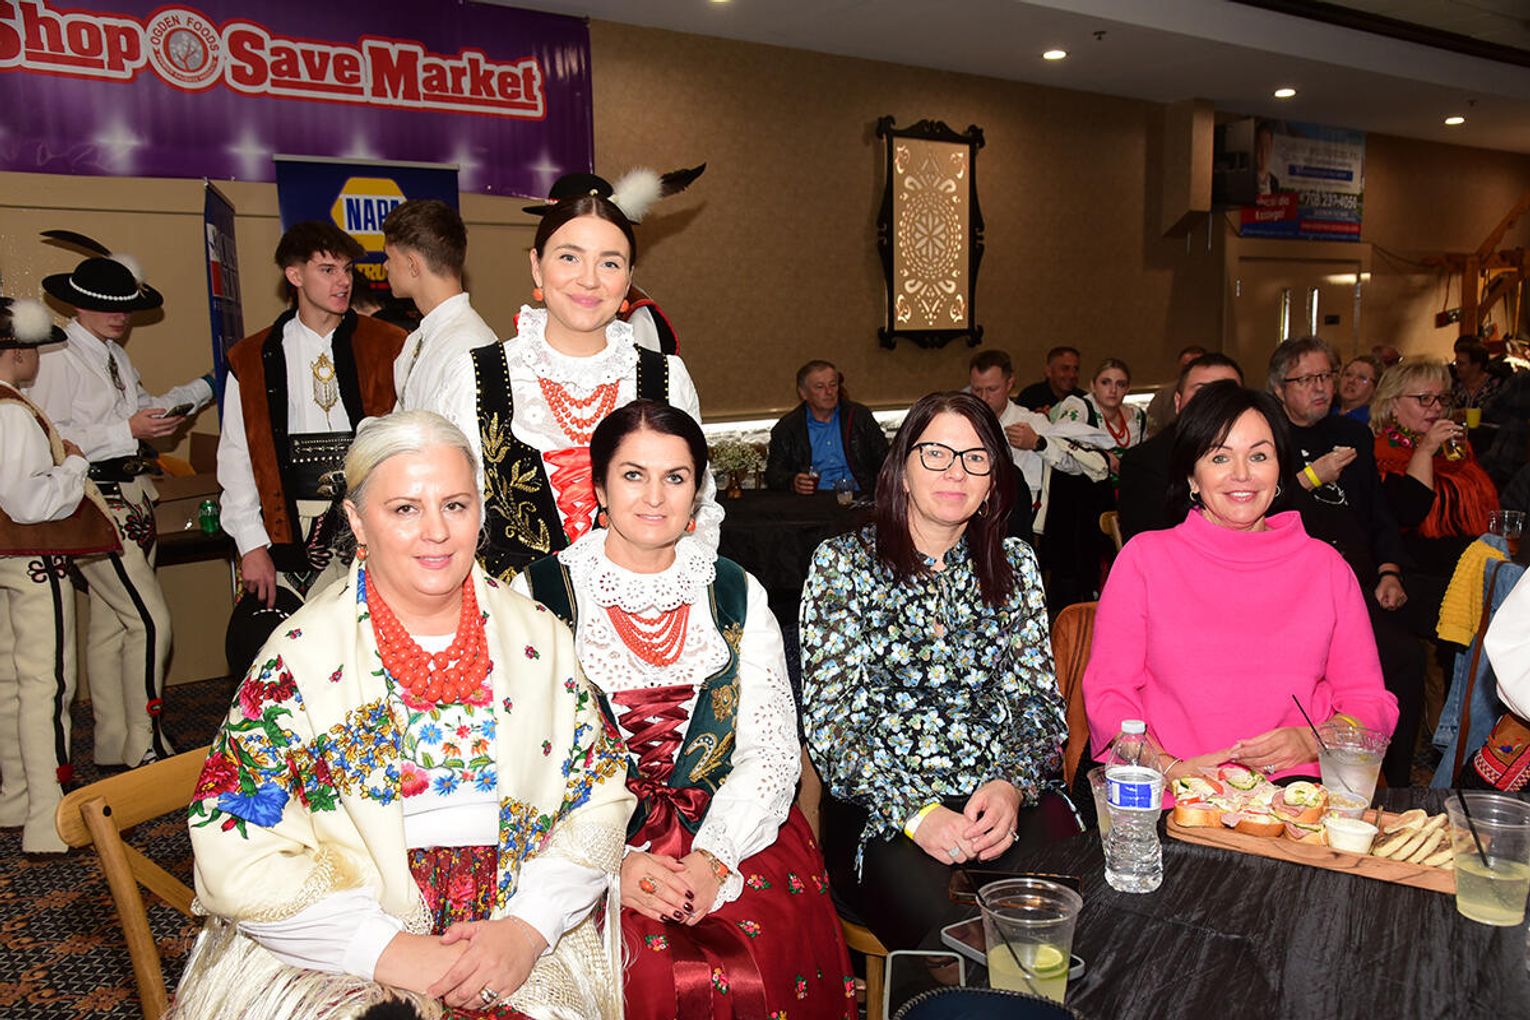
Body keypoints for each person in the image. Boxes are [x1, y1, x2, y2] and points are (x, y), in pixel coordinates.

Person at [173, 412, 634, 1019]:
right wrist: (384, 950)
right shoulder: (300, 656)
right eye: (405, 509)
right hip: (340, 937)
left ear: (480, 513)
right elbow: (237, 838)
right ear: (357, 521)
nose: (436, 532)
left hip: (513, 921)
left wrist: (527, 928)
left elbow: (598, 799)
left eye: (455, 505)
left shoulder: (539, 636)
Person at [517, 402, 855, 1019]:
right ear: (599, 487)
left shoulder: (735, 588)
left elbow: (771, 749)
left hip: (730, 827)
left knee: (755, 960)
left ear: (697, 491)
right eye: (633, 475)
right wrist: (612, 865)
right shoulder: (536, 596)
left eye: (675, 477)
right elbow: (525, 763)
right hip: (588, 838)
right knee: (646, 970)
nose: (655, 497)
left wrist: (713, 859)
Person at [801, 392, 1075, 951]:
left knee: (1076, 921)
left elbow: (1039, 705)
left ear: (993, 480)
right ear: (902, 469)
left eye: (975, 458)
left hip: (1003, 796)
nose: (956, 472)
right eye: (936, 454)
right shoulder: (843, 563)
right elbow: (832, 724)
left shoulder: (1015, 562)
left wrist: (1011, 785)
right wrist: (916, 813)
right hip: (886, 808)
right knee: (962, 947)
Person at [1084, 382, 1399, 781]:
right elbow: (1110, 697)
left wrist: (1313, 740)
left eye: (1259, 456)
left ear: (1280, 469)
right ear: (1192, 477)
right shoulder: (1145, 560)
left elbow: (1370, 703)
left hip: (1298, 791)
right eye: (1220, 457)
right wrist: (1168, 769)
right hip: (1172, 787)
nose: (1242, 474)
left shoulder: (1326, 568)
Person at [429, 170, 717, 584]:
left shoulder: (666, 377)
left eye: (610, 263)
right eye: (569, 257)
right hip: (510, 615)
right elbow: (446, 513)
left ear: (629, 278)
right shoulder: (475, 376)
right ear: (537, 266)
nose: (589, 279)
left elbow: (699, 509)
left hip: (641, 610)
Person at [30, 235, 215, 767]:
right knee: (150, 620)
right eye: (107, 307)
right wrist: (126, 430)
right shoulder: (58, 357)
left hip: (130, 494)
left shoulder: (112, 355)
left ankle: (115, 740)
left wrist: (197, 393)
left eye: (126, 308)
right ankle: (144, 739)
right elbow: (49, 436)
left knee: (114, 624)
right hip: (93, 497)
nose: (119, 317)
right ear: (78, 304)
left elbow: (139, 409)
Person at [218, 222, 407, 608]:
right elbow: (238, 455)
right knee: (295, 637)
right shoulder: (252, 357)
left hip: (371, 517)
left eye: (347, 269)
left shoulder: (387, 344)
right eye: (328, 270)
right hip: (291, 523)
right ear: (295, 275)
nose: (343, 281)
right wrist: (251, 544)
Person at [1269, 336, 1422, 787]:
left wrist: (1390, 569)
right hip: (1296, 585)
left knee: (1407, 657)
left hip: (1360, 579)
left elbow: (1378, 512)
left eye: (1326, 376)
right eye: (1306, 379)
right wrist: (1311, 477)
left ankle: (1392, 782)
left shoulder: (1352, 435)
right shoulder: (1269, 437)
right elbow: (1263, 508)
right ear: (1278, 388)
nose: (1320, 387)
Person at [0, 297, 119, 853]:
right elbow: (29, 501)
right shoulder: (13, 410)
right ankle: (49, 816)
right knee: (46, 683)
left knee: (10, 681)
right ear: (17, 351)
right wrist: (72, 464)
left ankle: (17, 796)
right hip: (31, 558)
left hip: (5, 558)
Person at [1370, 360, 1498, 626]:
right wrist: (1425, 449)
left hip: (1470, 568)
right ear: (1393, 404)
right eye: (1424, 399)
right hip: (1415, 575)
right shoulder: (1382, 454)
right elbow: (1407, 513)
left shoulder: (1456, 449)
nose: (1437, 407)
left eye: (1441, 398)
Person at [1041, 358, 1146, 609]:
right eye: (1106, 382)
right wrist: (1100, 456)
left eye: (1120, 384)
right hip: (1082, 501)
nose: (1113, 390)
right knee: (1084, 568)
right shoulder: (1079, 406)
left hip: (1123, 499)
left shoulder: (1136, 416)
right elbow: (1060, 438)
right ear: (1093, 385)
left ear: (1128, 388)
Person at [383, 200, 500, 411]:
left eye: (389, 257)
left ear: (412, 265)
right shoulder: (416, 339)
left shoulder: (471, 346)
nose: (385, 266)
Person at [1117, 353, 1244, 541]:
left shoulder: (1260, 455)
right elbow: (1150, 544)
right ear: (1178, 402)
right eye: (1201, 392)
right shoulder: (1145, 462)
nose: (1214, 402)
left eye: (1226, 393)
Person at [765, 360, 889, 496]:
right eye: (820, 387)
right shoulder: (788, 428)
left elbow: (886, 459)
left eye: (833, 385)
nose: (829, 392)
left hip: (859, 496)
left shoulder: (858, 417)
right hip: (813, 500)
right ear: (803, 393)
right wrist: (792, 482)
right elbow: (773, 474)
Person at [966, 349, 1053, 541]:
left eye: (992, 389)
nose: (983, 397)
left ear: (1010, 383)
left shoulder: (1034, 422)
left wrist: (1037, 442)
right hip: (973, 517)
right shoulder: (963, 425)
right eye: (977, 390)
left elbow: (1065, 462)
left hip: (1021, 520)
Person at [1143, 344, 1207, 437]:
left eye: (1197, 366)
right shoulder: (1163, 397)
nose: (1191, 371)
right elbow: (1152, 431)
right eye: (1186, 367)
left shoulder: (1217, 394)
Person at [1016, 345, 1084, 415]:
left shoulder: (1083, 400)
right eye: (1065, 369)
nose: (1072, 375)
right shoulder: (1030, 397)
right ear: (1049, 371)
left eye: (1075, 369)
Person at [1450, 337, 1503, 412]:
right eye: (1456, 362)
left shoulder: (1496, 387)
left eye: (1461, 363)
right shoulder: (1453, 384)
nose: (1456, 367)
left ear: (1476, 365)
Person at [1336, 354, 1383, 424]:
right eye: (1348, 374)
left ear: (1375, 388)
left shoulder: (1373, 423)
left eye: (1362, 378)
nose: (1351, 380)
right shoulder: (1326, 412)